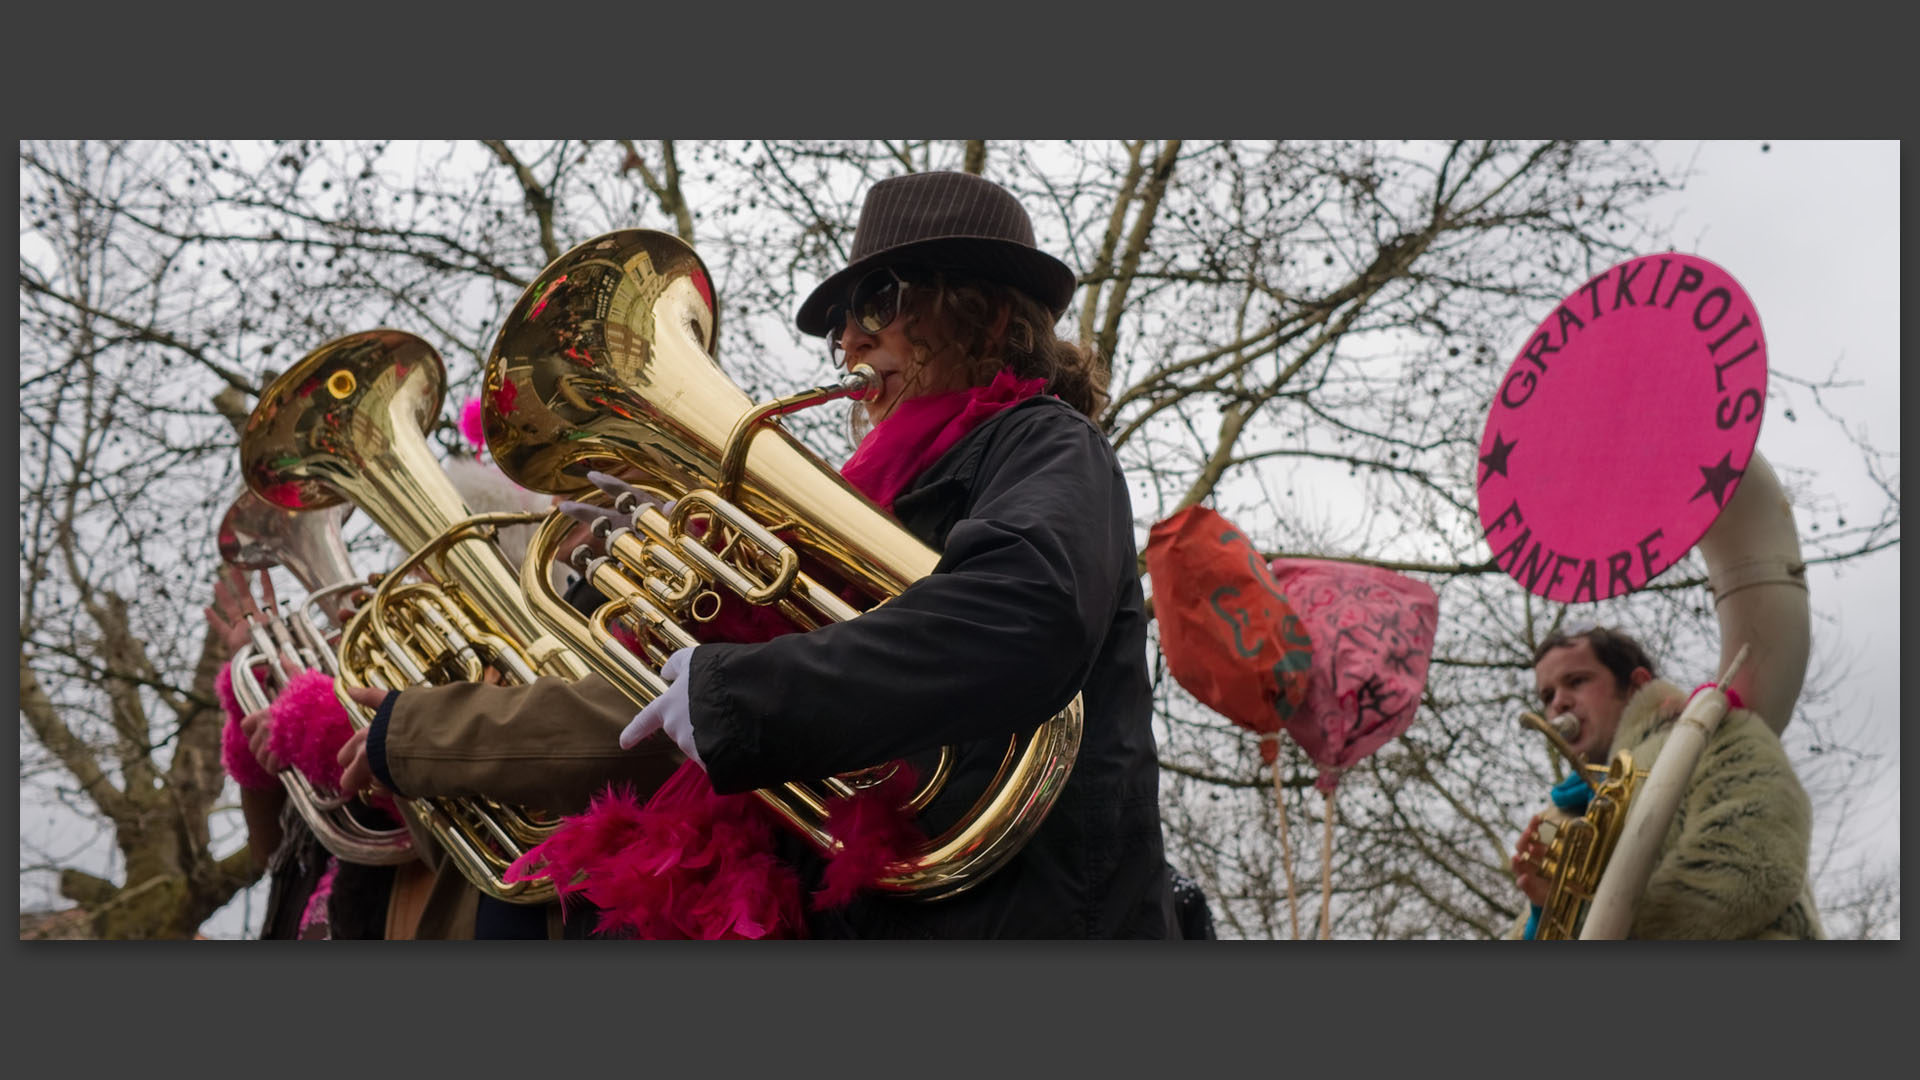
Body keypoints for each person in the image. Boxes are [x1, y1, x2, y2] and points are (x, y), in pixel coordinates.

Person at [605, 170, 1178, 937]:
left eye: (880, 301)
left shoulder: (1048, 443)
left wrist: (747, 697)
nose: (849, 339)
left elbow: (1025, 611)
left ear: (987, 317)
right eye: (844, 317)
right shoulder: (862, 499)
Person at [1507, 625, 1825, 939]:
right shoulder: (1560, 816)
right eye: (1547, 696)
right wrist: (1542, 914)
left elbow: (1755, 865)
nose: (1558, 703)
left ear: (1637, 684)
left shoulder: (1715, 733)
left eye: (1576, 681)